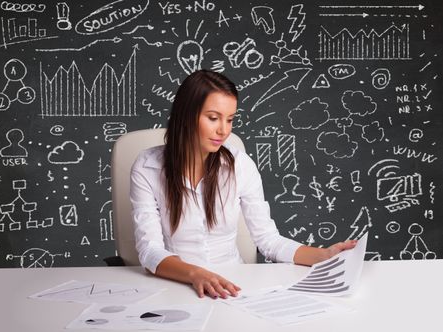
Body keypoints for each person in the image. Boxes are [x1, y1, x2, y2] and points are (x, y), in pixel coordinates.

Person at [130, 69, 357, 299]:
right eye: (213, 118)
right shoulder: (147, 167)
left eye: (230, 119)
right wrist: (195, 274)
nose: (223, 130)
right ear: (186, 115)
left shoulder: (240, 165)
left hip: (233, 286)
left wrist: (325, 256)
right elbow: (150, 251)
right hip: (178, 286)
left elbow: (268, 240)